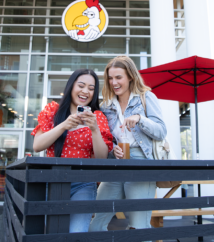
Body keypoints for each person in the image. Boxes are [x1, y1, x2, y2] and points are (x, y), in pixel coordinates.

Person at [89, 56, 167, 232]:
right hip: (116, 164)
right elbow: (107, 140)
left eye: (118, 77)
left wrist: (140, 119)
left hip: (141, 163)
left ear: (130, 76)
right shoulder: (106, 106)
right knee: (96, 222)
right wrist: (112, 151)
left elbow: (161, 130)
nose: (113, 82)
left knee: (138, 226)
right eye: (110, 78)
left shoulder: (146, 97)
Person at [32, 69, 113, 233]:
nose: (85, 91)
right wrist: (63, 125)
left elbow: (102, 157)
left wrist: (95, 129)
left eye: (91, 88)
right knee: (53, 233)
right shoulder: (53, 111)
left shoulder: (97, 117)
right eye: (81, 85)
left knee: (77, 232)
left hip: (83, 183)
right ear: (71, 86)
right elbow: (37, 145)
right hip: (52, 182)